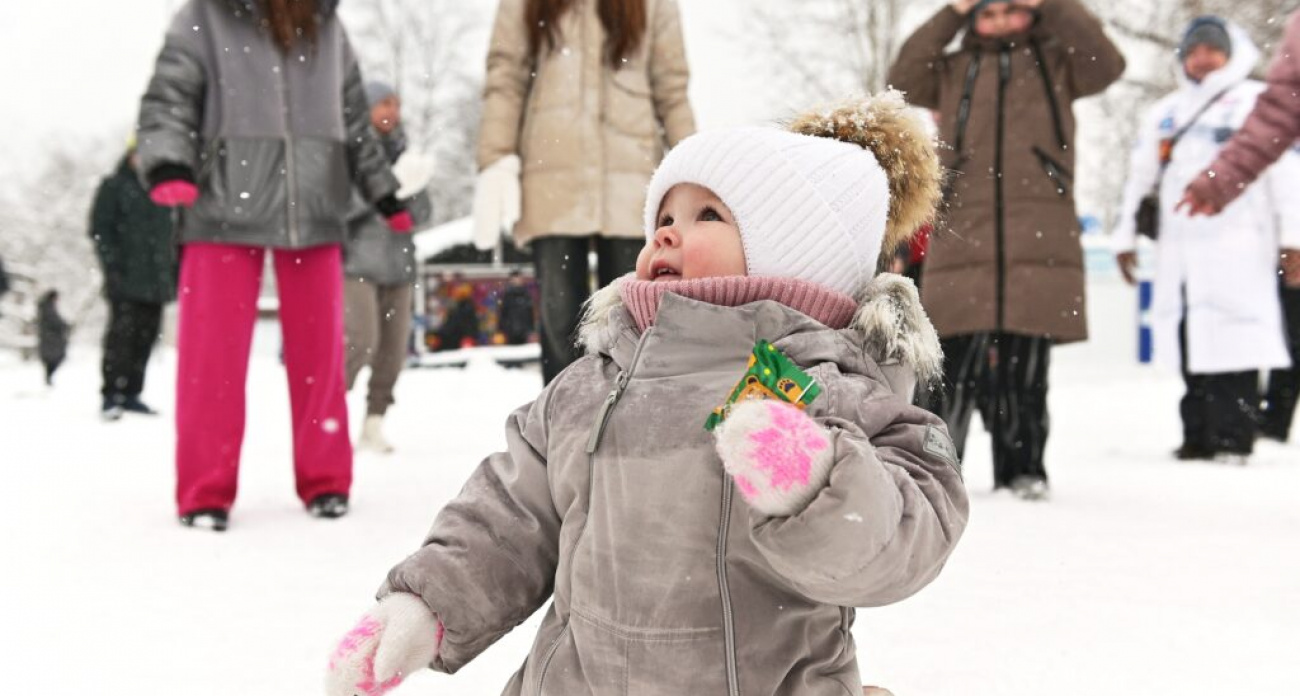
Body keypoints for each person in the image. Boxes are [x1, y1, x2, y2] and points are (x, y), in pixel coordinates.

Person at [325, 94, 968, 696]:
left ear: (793, 255)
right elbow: (509, 518)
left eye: (706, 215)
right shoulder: (590, 385)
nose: (664, 233)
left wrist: (816, 484)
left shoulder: (834, 394)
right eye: (662, 217)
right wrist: (427, 605)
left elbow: (901, 542)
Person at [137, 0, 410, 531]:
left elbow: (353, 115)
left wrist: (384, 192)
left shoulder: (325, 23)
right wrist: (168, 158)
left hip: (314, 202)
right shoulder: (206, 15)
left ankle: (326, 478)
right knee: (210, 355)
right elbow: (169, 96)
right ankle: (204, 488)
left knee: (322, 353)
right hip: (221, 203)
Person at [887, 0, 1125, 500]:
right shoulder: (951, 70)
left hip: (1037, 232)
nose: (999, 21)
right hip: (963, 234)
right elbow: (904, 74)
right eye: (987, 12)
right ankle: (933, 467)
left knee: (1026, 368)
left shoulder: (1058, 62)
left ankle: (1024, 471)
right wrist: (952, 12)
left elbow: (1108, 65)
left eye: (1011, 11)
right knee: (947, 364)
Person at [472, 0, 695, 384]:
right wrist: (496, 158)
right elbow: (506, 74)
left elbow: (671, 86)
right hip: (552, 175)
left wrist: (693, 170)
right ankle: (562, 428)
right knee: (561, 319)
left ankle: (630, 424)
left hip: (630, 177)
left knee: (633, 316)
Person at [1114, 18, 1300, 462]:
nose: (1203, 58)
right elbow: (1140, 180)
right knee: (1187, 338)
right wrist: (1124, 236)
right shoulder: (1165, 113)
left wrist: (1292, 237)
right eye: (1193, 50)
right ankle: (1196, 433)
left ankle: (1234, 435)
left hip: (1240, 245)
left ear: (1231, 52)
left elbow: (1286, 175)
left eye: (1212, 49)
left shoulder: (1254, 102)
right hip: (1180, 247)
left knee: (1236, 338)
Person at [343, 81, 433, 454]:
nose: (391, 112)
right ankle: (325, 418)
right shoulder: (348, 153)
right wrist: (386, 194)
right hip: (358, 264)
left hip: (399, 267)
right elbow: (342, 207)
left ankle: (373, 424)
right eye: (383, 103)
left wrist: (409, 189)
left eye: (395, 104)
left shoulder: (405, 154)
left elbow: (424, 212)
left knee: (393, 353)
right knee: (360, 342)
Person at [89, 144, 178, 421]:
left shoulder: (164, 190)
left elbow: (175, 235)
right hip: (125, 280)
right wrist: (113, 268)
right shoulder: (115, 186)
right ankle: (111, 394)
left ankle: (132, 393)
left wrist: (173, 272)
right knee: (121, 337)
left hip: (157, 281)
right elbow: (100, 228)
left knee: (146, 337)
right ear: (129, 156)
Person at [36, 290, 69, 386]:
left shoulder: (46, 307)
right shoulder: (47, 307)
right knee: (54, 358)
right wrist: (64, 326)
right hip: (51, 339)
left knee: (52, 360)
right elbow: (54, 320)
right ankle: (49, 377)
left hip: (50, 339)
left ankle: (49, 377)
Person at [497, 269, 535, 345]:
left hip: (524, 332)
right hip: (510, 332)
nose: (517, 281)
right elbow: (503, 314)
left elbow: (530, 314)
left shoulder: (526, 295)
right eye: (515, 279)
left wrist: (531, 330)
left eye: (519, 278)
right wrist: (501, 329)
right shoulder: (507, 296)